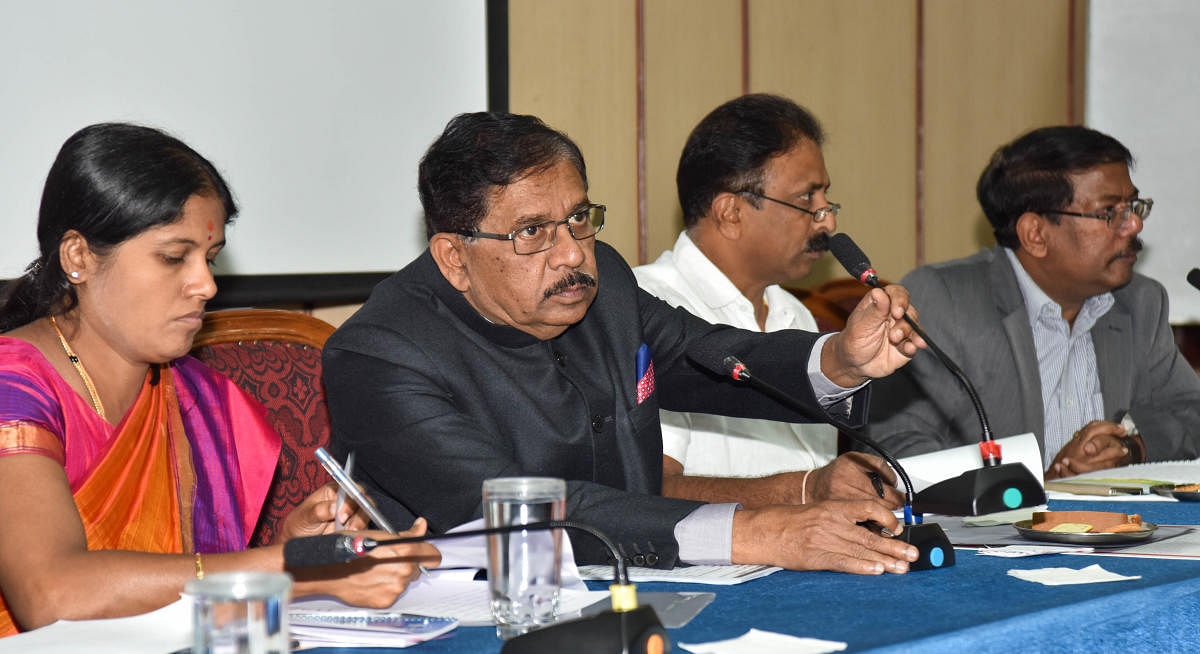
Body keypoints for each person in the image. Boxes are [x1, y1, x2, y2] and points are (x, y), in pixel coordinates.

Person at [324, 111, 926, 577]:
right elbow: (520, 513)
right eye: (533, 232)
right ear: (455, 257)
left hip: (642, 584)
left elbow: (714, 356)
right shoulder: (379, 355)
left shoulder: (602, 283)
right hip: (474, 612)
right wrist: (762, 532)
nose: (571, 253)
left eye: (579, 218)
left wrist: (840, 359)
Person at [0, 123, 439, 636]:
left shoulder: (195, 396)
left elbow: (175, 580)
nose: (206, 284)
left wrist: (286, 545)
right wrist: (299, 567)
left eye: (209, 258)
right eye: (172, 257)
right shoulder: (15, 387)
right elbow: (51, 597)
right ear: (78, 257)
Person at [868, 125, 1200, 479]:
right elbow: (898, 447)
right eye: (1109, 212)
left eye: (1132, 206)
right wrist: (1034, 485)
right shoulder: (946, 299)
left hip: (1116, 528)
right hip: (985, 533)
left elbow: (1191, 414)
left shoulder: (1139, 302)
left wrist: (1132, 447)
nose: (1133, 225)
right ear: (1036, 234)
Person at [634, 94, 897, 509]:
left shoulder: (795, 314)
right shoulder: (644, 308)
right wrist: (807, 491)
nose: (828, 220)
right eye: (806, 199)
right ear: (730, 212)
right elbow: (648, 491)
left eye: (826, 199)